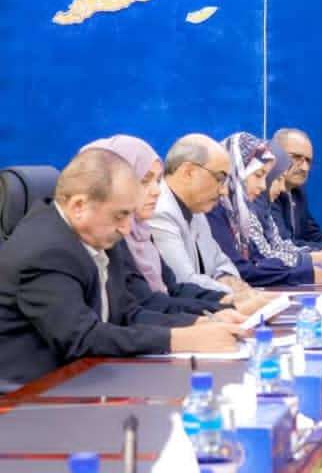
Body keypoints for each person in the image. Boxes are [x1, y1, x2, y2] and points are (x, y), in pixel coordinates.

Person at [0, 149, 242, 385]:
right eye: (120, 215)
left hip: (84, 378)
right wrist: (179, 339)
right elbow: (81, 338)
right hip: (31, 394)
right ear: (78, 206)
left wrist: (198, 323)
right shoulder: (46, 250)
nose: (127, 228)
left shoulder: (101, 234)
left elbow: (128, 314)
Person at [80, 136, 249, 321]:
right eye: (144, 180)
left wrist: (229, 300)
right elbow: (144, 306)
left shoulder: (142, 231)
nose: (157, 191)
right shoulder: (118, 236)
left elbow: (175, 287)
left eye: (158, 180)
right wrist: (219, 311)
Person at [208, 133, 322, 286]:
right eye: (259, 175)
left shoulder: (239, 212)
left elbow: (261, 259)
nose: (263, 186)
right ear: (236, 171)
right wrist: (308, 271)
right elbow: (247, 268)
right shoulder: (216, 211)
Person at [146, 134, 256, 297]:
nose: (224, 190)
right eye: (220, 179)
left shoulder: (196, 209)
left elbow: (221, 261)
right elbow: (183, 282)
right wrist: (235, 291)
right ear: (188, 172)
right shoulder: (159, 212)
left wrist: (226, 277)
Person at [271, 127, 322, 248]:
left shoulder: (298, 192)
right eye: (296, 157)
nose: (304, 168)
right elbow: (283, 244)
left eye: (308, 161)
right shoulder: (264, 191)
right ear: (275, 155)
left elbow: (314, 236)